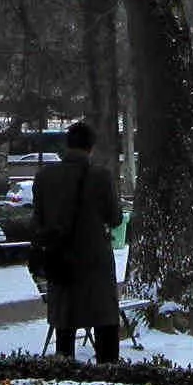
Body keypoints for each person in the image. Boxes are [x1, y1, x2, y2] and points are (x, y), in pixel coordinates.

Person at [28, 120, 126, 363]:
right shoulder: (101, 177)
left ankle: (64, 373)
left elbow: (36, 221)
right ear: (90, 147)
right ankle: (109, 373)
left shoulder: (44, 176)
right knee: (104, 322)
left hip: (60, 262)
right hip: (95, 264)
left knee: (65, 322)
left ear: (67, 145)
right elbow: (115, 218)